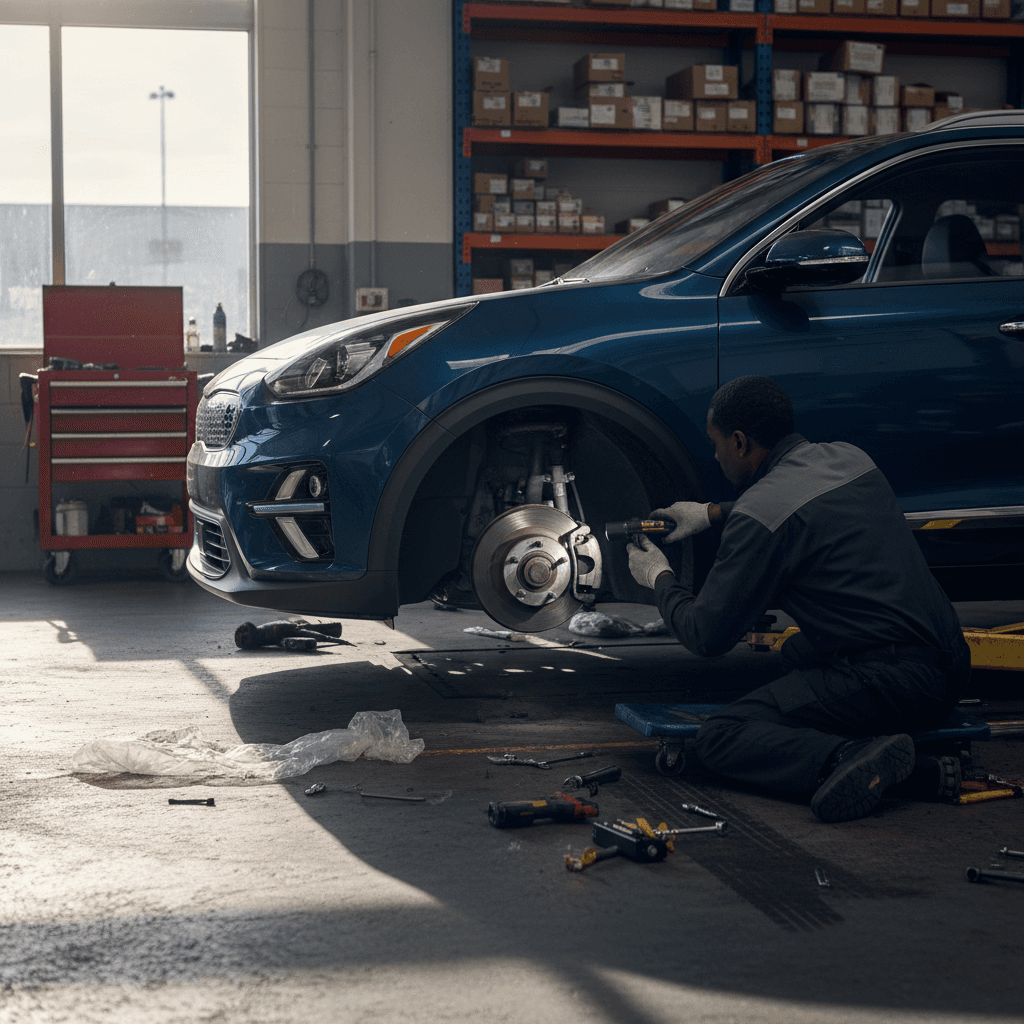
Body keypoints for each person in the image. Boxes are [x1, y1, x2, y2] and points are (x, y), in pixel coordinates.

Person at [626, 375, 971, 823]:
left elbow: (705, 634)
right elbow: (799, 507)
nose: (715, 456)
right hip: (951, 661)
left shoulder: (759, 516)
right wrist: (709, 515)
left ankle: (852, 759)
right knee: (796, 651)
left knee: (722, 735)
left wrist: (659, 577)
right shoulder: (850, 459)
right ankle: (883, 748)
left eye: (716, 445)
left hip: (898, 684)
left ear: (739, 441)